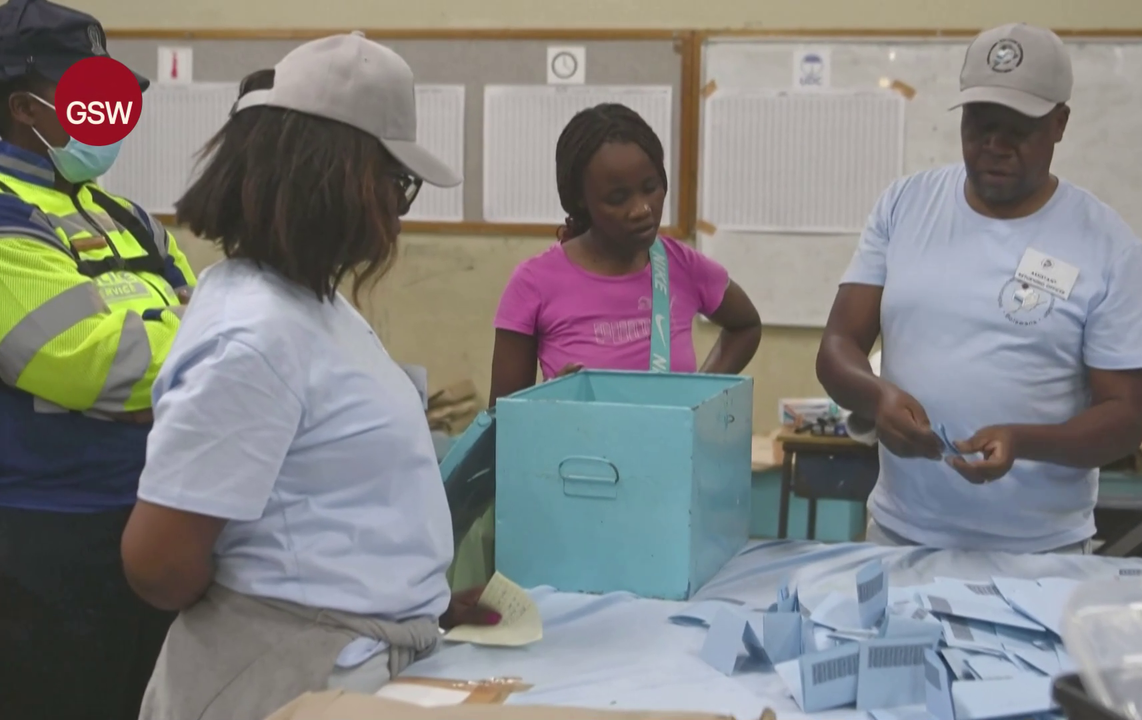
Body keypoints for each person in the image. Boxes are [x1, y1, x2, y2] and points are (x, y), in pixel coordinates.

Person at [117, 33, 498, 720]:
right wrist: (287, 604)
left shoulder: (312, 305)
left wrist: (414, 600)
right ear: (337, 179)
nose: (398, 212)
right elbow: (160, 563)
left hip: (349, 654)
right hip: (282, 675)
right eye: (397, 185)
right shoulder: (255, 338)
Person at [815, 23, 1142, 554]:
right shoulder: (905, 206)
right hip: (901, 535)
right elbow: (838, 347)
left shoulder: (1108, 246)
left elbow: (1125, 420)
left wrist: (1024, 441)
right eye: (979, 126)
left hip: (1040, 549)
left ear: (1059, 124)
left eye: (1017, 131)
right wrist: (877, 395)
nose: (994, 147)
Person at [0, 2, 196, 719]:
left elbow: (216, 331)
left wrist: (171, 365)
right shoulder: (6, 216)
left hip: (153, 516)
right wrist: (188, 361)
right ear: (26, 105)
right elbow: (85, 359)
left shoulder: (128, 216)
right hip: (47, 538)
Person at [489, 102, 763, 400]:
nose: (641, 209)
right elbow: (502, 422)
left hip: (666, 446)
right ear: (580, 200)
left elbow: (745, 326)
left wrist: (698, 397)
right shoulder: (534, 282)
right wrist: (553, 401)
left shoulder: (683, 267)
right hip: (577, 446)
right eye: (617, 198)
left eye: (651, 187)